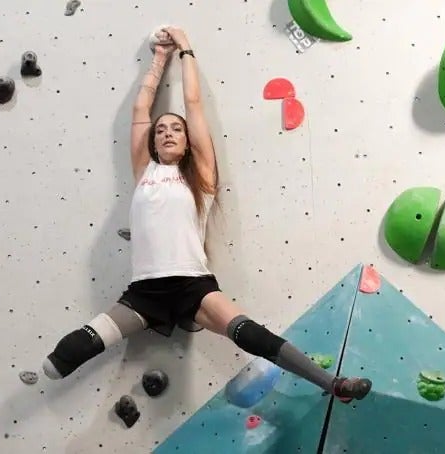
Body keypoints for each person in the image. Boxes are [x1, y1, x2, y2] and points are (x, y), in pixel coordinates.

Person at [42, 26, 372, 404]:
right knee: (63, 358)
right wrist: (157, 59)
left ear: (187, 141)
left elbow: (194, 105)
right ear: (151, 141)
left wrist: (185, 50)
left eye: (176, 129)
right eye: (160, 129)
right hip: (144, 293)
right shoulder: (143, 171)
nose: (167, 133)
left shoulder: (202, 177)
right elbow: (139, 109)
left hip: (192, 287)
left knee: (253, 335)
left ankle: (333, 384)